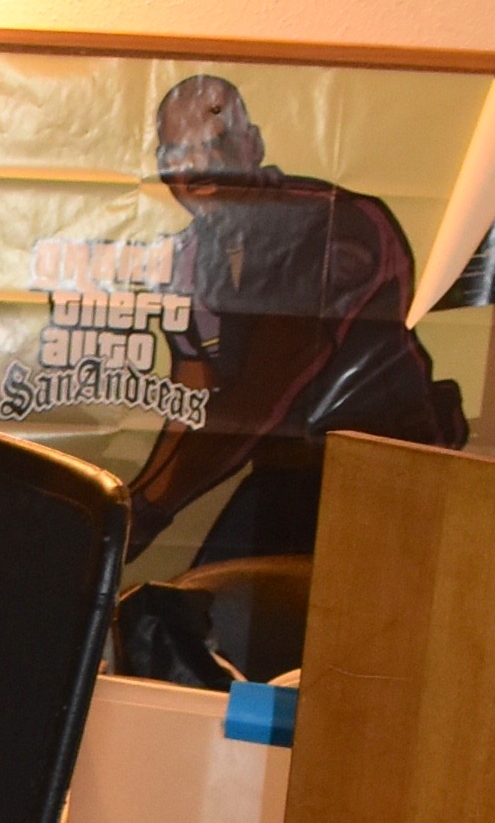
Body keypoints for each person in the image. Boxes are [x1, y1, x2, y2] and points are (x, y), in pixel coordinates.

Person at [126, 70, 462, 553]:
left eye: (218, 143)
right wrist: (131, 504)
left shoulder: (336, 224)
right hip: (282, 478)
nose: (200, 166)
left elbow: (268, 386)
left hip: (392, 482)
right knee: (199, 595)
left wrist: (148, 508)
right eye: (178, 154)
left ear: (254, 145)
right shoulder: (188, 261)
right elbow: (193, 397)